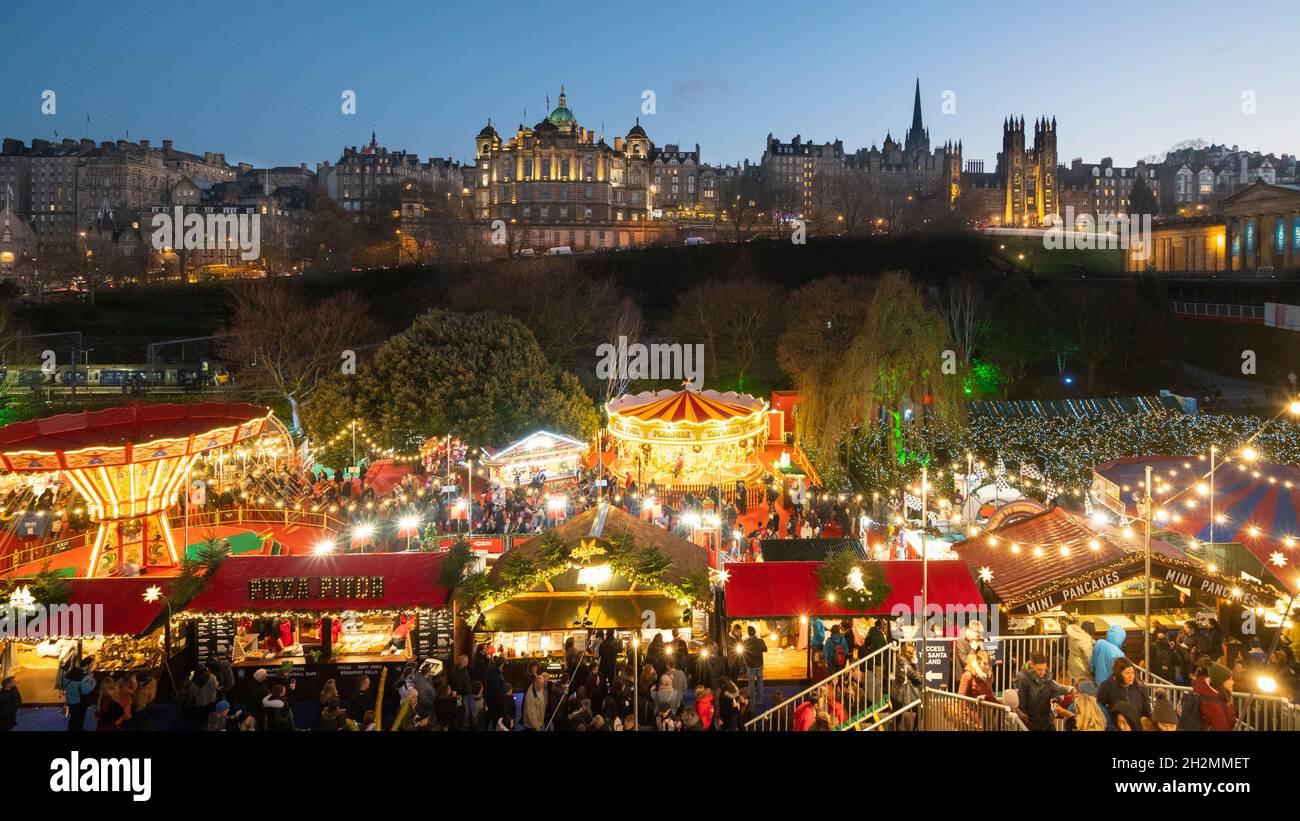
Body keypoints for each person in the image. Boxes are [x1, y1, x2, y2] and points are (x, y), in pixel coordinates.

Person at [1015, 651, 1072, 731]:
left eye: (1044, 669)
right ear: (1032, 665)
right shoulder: (1022, 678)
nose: (1042, 672)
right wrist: (1026, 720)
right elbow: (1021, 704)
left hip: (1046, 720)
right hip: (1031, 722)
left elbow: (1055, 690)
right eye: (1039, 669)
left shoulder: (1047, 676)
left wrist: (1055, 700)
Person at [1095, 658, 1150, 729]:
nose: (1131, 676)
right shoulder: (1107, 687)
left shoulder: (1140, 687)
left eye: (1133, 673)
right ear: (1118, 674)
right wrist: (1111, 725)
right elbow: (1101, 707)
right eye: (1127, 673)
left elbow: (1146, 709)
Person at [1188, 660, 1236, 731]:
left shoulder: (1215, 697)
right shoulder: (1212, 705)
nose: (1233, 682)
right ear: (1220, 683)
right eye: (1229, 680)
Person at [890, 642, 924, 730]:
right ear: (909, 655)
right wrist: (916, 664)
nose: (916, 656)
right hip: (901, 696)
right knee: (920, 711)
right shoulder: (907, 666)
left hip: (895, 694)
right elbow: (919, 679)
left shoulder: (900, 660)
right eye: (914, 654)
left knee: (896, 720)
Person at [63, 656, 97, 732]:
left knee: (73, 718)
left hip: (70, 699)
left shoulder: (72, 671)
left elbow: (65, 682)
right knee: (79, 718)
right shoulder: (85, 677)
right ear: (88, 665)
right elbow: (86, 690)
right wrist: (92, 680)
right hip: (79, 701)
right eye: (91, 664)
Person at [742, 625, 768, 708]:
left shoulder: (745, 642)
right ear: (755, 632)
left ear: (748, 634)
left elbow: (743, 653)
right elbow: (765, 650)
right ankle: (760, 700)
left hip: (750, 666)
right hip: (759, 665)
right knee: (760, 683)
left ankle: (752, 701)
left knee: (751, 684)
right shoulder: (760, 641)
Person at [1064, 617, 1095, 683]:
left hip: (1073, 664)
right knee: (1082, 689)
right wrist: (1093, 670)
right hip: (1082, 669)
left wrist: (1091, 641)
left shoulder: (1074, 634)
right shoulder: (1085, 642)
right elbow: (1089, 658)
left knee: (1075, 686)